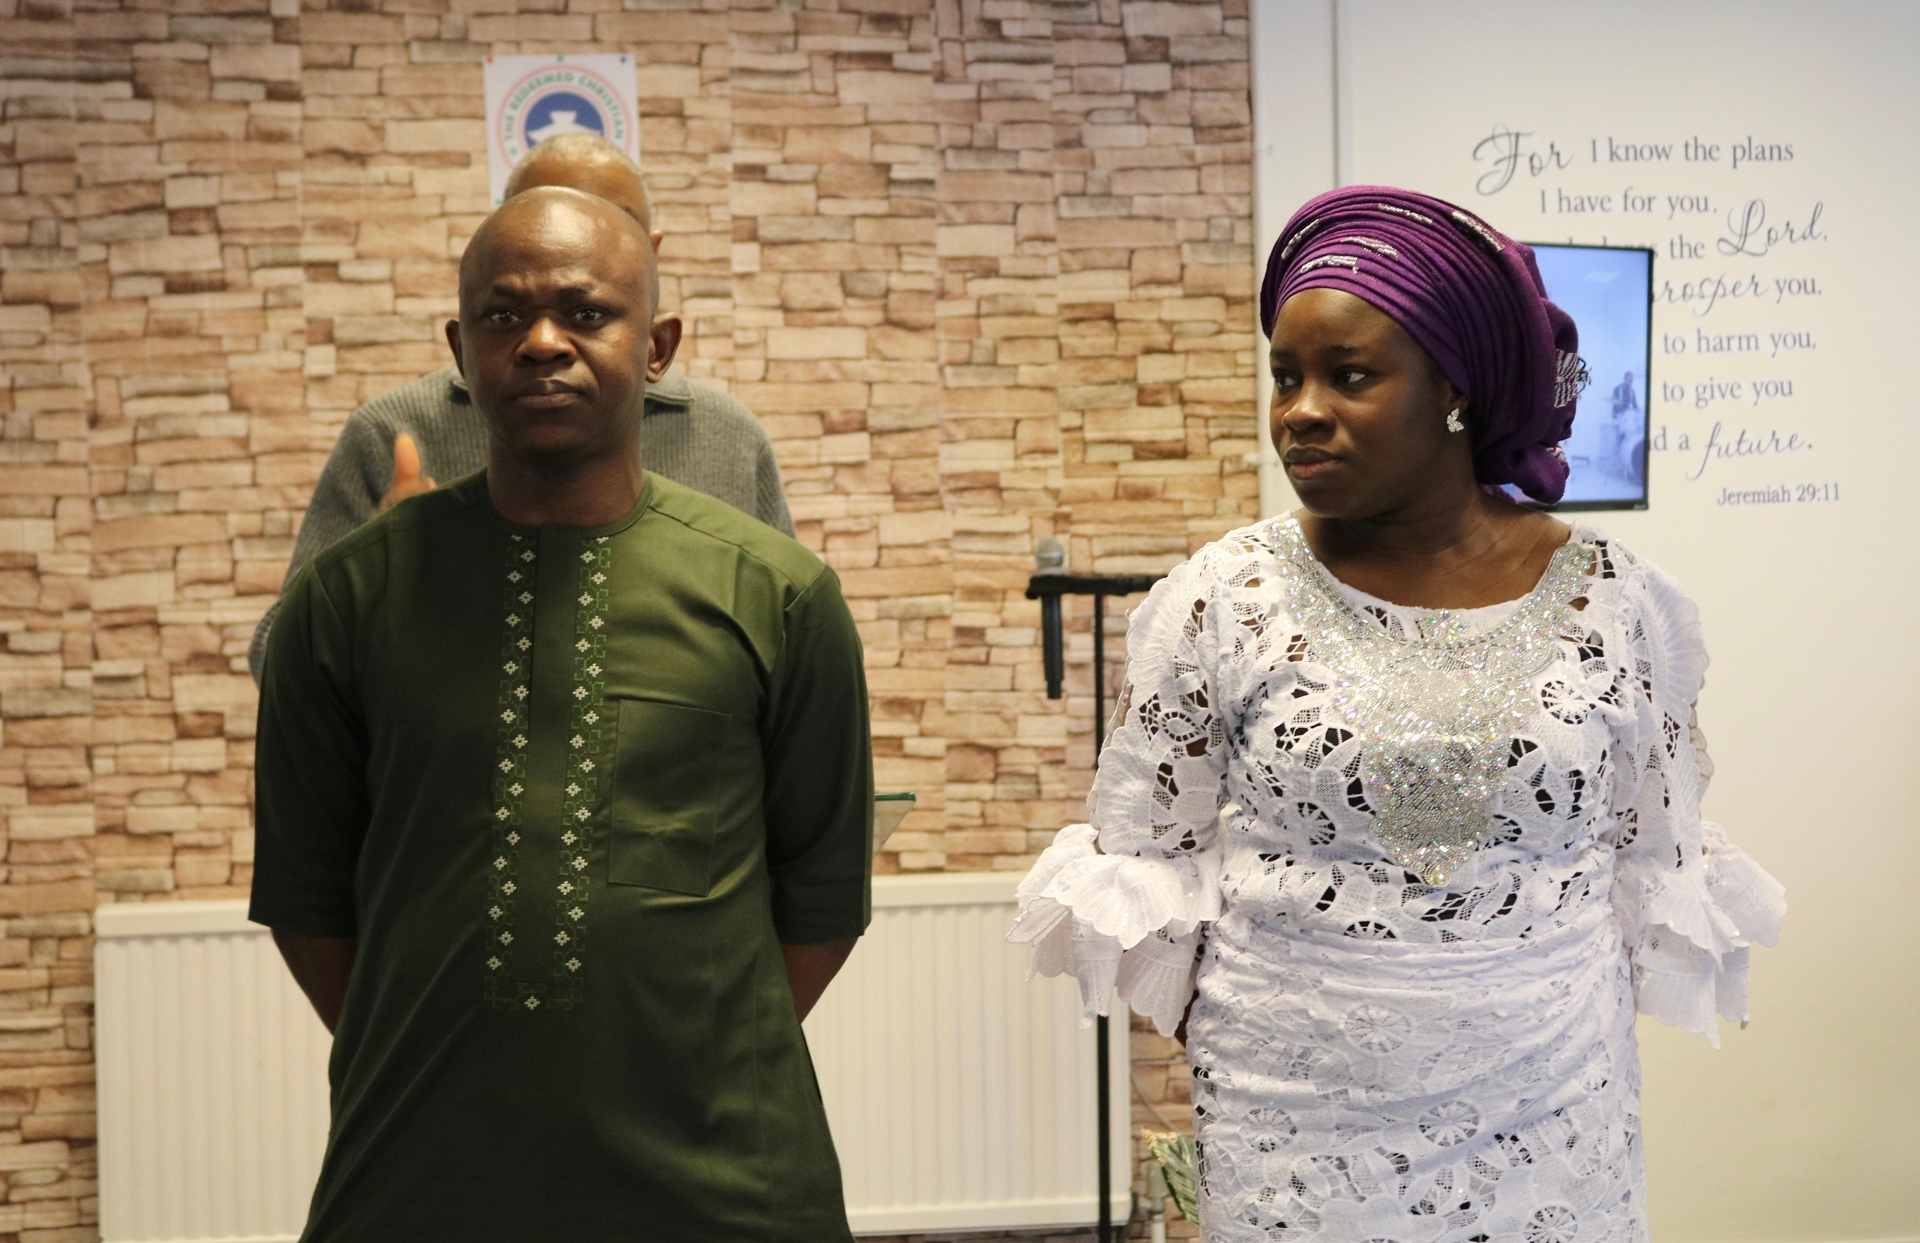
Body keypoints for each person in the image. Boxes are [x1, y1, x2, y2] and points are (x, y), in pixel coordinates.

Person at [1010, 187, 1783, 1242]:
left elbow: (1650, 850)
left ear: (1456, 388)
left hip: (1554, 1109)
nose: (1300, 410)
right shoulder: (1223, 598)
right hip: (1291, 1122)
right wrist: (1279, 1032)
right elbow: (1149, 850)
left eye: (1349, 375)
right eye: (1285, 375)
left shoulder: (1619, 603)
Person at [250, 186, 872, 1242]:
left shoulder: (779, 595)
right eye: (503, 315)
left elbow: (822, 896)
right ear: (461, 350)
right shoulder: (347, 598)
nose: (542, 342)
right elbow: (307, 894)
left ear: (659, 346)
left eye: (586, 312)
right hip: (419, 1167)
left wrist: (691, 1052)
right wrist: (445, 1052)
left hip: (724, 1176)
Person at [247, 133, 793, 682]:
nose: (568, 237)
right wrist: (375, 576)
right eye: (538, 216)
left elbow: (786, 650)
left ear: (650, 256)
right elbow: (281, 660)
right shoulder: (391, 431)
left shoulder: (729, 436)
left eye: (609, 221)